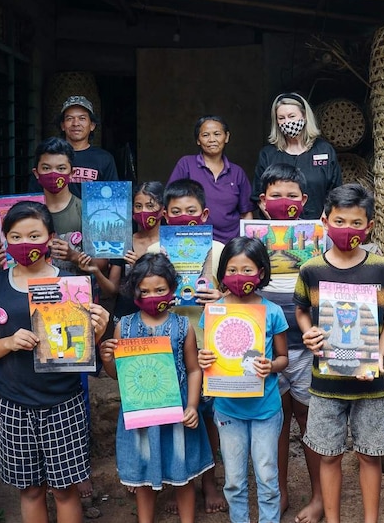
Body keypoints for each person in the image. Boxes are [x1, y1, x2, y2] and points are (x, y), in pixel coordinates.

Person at [0, 201, 110, 523]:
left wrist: (100, 330)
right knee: (30, 490)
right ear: (5, 239)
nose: (25, 244)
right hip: (14, 403)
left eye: (34, 235)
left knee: (65, 490)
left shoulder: (72, 285)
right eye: (16, 237)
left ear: (50, 237)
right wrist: (7, 342)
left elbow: (89, 347)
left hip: (64, 401)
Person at [295, 184, 384, 523]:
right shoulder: (311, 270)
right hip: (326, 383)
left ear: (369, 226)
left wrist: (380, 354)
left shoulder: (382, 270)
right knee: (328, 455)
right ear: (325, 221)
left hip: (369, 383)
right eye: (340, 221)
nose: (348, 230)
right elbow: (301, 309)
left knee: (370, 455)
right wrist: (307, 332)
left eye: (357, 223)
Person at [98, 253, 214, 523]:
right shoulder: (123, 327)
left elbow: (194, 368)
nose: (153, 296)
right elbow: (117, 375)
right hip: (141, 415)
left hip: (177, 413)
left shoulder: (182, 326)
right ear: (134, 291)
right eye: (145, 291)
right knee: (143, 475)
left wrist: (193, 406)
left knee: (182, 473)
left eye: (160, 290)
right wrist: (106, 359)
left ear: (172, 289)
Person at [197, 236, 289, 523]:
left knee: (267, 475)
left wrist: (271, 365)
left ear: (261, 272)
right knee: (234, 480)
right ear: (222, 273)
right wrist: (203, 361)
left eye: (248, 270)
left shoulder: (272, 312)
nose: (239, 277)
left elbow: (284, 359)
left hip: (265, 409)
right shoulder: (214, 313)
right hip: (227, 410)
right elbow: (208, 354)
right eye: (232, 270)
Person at [151, 178, 228, 514]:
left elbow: (242, 295)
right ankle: (172, 477)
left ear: (205, 213)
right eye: (176, 212)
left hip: (209, 343)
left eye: (192, 211)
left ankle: (209, 481)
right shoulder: (155, 252)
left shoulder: (221, 250)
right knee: (173, 411)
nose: (184, 217)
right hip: (166, 345)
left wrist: (222, 296)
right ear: (164, 216)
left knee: (207, 415)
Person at [256, 163, 323, 522]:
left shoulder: (318, 239)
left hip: (308, 347)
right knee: (276, 422)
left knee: (308, 420)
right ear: (263, 202)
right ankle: (278, 492)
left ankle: (318, 496)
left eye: (292, 196)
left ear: (305, 199)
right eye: (276, 196)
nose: (285, 202)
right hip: (268, 349)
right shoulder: (253, 239)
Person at [252, 93, 342, 220]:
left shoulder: (324, 150)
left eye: (292, 116)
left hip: (317, 226)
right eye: (281, 118)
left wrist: (322, 224)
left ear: (304, 116)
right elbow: (258, 195)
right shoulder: (268, 154)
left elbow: (335, 192)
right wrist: (280, 224)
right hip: (277, 229)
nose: (287, 122)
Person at [168, 115, 254, 243]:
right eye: (205, 135)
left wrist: (246, 245)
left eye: (217, 134)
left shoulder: (237, 172)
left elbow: (246, 213)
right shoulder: (186, 164)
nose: (212, 139)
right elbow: (171, 203)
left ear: (227, 137)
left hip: (231, 243)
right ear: (198, 140)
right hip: (193, 242)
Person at [29, 95, 118, 197]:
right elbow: (35, 197)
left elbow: (111, 199)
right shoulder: (49, 156)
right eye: (69, 118)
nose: (76, 123)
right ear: (62, 125)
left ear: (92, 125)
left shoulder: (104, 158)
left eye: (82, 118)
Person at [104, 181, 166, 318]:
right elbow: (113, 289)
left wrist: (140, 267)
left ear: (162, 209)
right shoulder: (124, 242)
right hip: (126, 317)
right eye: (138, 206)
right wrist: (95, 271)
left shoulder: (170, 243)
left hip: (161, 318)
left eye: (150, 206)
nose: (143, 211)